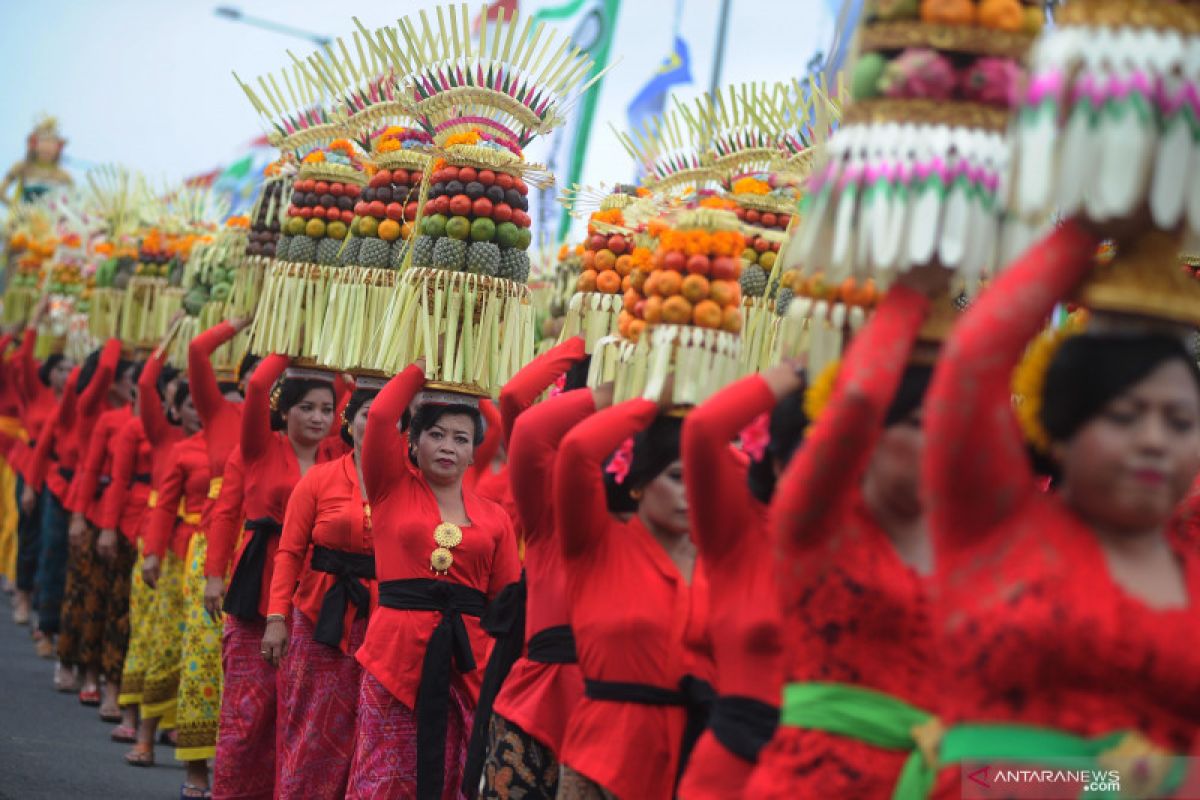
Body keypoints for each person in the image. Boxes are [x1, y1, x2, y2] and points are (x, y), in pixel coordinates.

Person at [921, 221, 1200, 796]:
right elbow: (971, 361)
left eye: (1180, 423)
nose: (1155, 441)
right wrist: (1093, 224)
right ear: (1061, 430)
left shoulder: (1190, 569)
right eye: (1124, 416)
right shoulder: (996, 526)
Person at [744, 274, 949, 799]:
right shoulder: (816, 528)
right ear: (867, 435)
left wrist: (1112, 781)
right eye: (923, 423)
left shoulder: (978, 547)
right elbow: (854, 399)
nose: (943, 444)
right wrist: (915, 290)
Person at [348, 363, 520, 800]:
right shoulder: (389, 487)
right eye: (436, 434)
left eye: (461, 439)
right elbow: (384, 414)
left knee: (460, 776)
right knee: (383, 774)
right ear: (414, 441)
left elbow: (506, 603)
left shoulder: (496, 517)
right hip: (394, 657)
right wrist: (429, 364)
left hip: (469, 663)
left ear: (474, 451)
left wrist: (474, 381)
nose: (447, 447)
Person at [552, 388, 713, 800]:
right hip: (607, 761)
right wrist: (655, 399)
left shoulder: (723, 562)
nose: (691, 493)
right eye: (677, 477)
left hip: (703, 763)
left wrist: (712, 422)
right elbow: (576, 450)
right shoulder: (596, 545)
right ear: (640, 482)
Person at [676, 361, 806, 800]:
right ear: (774, 463)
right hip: (731, 772)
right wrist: (796, 371)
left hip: (828, 774)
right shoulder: (741, 536)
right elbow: (703, 431)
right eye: (809, 460)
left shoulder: (870, 552)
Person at [210, 355, 337, 800]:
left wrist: (334, 345)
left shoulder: (336, 454)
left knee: (295, 717)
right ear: (284, 410)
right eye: (307, 407)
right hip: (259, 586)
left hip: (315, 590)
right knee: (247, 714)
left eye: (327, 408)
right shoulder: (260, 447)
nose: (319, 418)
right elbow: (260, 384)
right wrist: (294, 339)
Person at [471, 338, 591, 799]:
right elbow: (515, 398)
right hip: (540, 695)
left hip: (617, 704)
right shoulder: (547, 491)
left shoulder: (648, 498)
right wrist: (581, 338)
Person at [263, 386, 379, 799]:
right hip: (316, 623)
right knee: (309, 730)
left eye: (393, 415)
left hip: (383, 631)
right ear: (349, 421)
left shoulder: (412, 484)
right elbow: (290, 552)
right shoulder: (320, 478)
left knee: (370, 738)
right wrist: (277, 618)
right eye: (369, 413)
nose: (380, 423)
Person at [124, 381, 205, 772]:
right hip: (181, 557)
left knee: (210, 657)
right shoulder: (181, 449)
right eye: (191, 404)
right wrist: (153, 554)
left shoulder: (246, 450)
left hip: (231, 561)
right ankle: (145, 733)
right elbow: (165, 506)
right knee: (170, 643)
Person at [116, 355, 184, 743]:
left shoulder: (220, 442)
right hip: (158, 540)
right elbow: (145, 385)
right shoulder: (162, 435)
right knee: (148, 629)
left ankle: (174, 719)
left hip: (195, 549)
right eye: (184, 404)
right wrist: (169, 340)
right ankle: (133, 712)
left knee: (186, 636)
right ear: (172, 408)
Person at [12, 309, 71, 625]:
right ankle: (22, 595)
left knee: (53, 542)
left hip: (60, 475)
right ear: (49, 373)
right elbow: (22, 360)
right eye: (60, 369)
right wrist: (33, 321)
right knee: (30, 532)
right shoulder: (38, 394)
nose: (65, 374)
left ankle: (43, 602)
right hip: (31, 469)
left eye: (70, 369)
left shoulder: (75, 402)